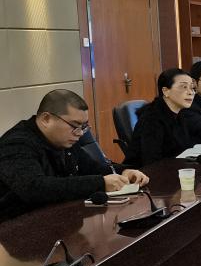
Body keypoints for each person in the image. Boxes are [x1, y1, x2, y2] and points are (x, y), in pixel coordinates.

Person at [0, 89, 148, 221]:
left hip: (60, 217)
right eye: (74, 125)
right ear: (46, 119)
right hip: (17, 227)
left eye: (84, 126)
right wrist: (100, 183)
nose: (80, 133)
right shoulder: (16, 144)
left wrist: (123, 171)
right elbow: (34, 188)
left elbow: (92, 168)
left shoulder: (66, 139)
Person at [123, 68, 200, 166]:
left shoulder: (180, 114)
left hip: (174, 167)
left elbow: (184, 148)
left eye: (192, 88)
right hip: (145, 172)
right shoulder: (152, 119)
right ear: (165, 91)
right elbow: (151, 161)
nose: (190, 92)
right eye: (184, 87)